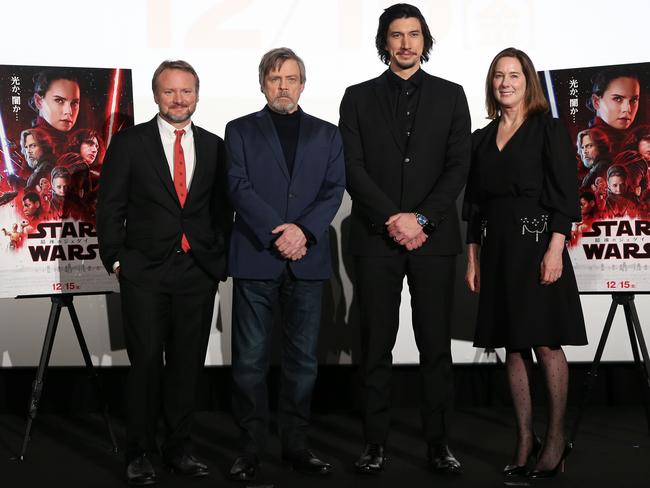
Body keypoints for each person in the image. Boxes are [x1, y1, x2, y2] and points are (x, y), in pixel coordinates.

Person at [339, 3, 471, 475]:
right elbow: (351, 167)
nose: (405, 43)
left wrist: (421, 219)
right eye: (396, 35)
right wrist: (393, 218)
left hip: (433, 242)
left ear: (425, 40)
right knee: (375, 346)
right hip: (376, 239)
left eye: (414, 34)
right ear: (384, 42)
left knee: (435, 345)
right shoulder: (356, 97)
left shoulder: (452, 96)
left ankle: (439, 444)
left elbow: (458, 167)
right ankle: (374, 443)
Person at [97, 60, 232, 486]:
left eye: (186, 91)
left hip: (196, 272)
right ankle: (139, 451)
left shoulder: (214, 146)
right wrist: (117, 260)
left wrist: (217, 261)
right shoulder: (129, 143)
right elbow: (109, 207)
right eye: (170, 92)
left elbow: (220, 211)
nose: (179, 100)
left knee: (187, 366)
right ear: (156, 96)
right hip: (144, 272)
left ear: (197, 93)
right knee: (146, 367)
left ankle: (179, 448)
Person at [463, 47, 587, 479]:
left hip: (538, 247)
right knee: (512, 346)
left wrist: (555, 249)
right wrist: (473, 256)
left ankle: (554, 441)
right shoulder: (480, 138)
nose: (505, 83)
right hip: (496, 250)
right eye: (498, 75)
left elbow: (565, 195)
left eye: (514, 75)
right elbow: (475, 205)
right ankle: (524, 439)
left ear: (527, 80)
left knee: (545, 343)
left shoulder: (548, 129)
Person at [225, 47, 345, 481]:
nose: (282, 86)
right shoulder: (239, 130)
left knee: (303, 363)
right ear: (262, 83)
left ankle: (296, 446)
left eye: (290, 78)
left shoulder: (327, 134)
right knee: (250, 362)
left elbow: (333, 190)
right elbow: (237, 186)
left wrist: (303, 233)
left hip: (307, 261)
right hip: (257, 257)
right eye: (274, 78)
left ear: (302, 84)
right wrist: (280, 230)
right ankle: (250, 449)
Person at [587, 67, 640, 154]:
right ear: (596, 102)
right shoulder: (593, 143)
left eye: (634, 100)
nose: (627, 109)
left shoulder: (632, 140)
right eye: (618, 99)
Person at [29, 68, 81, 155]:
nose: (69, 111)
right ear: (38, 101)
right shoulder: (34, 144)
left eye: (74, 103)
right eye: (59, 100)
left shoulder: (69, 143)